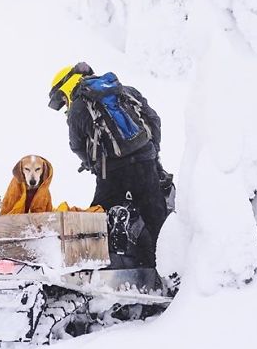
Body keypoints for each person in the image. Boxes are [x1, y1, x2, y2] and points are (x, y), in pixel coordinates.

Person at [48, 62, 168, 269]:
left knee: (100, 216)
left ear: (66, 87)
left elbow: (76, 146)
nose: (65, 105)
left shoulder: (78, 107)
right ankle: (163, 270)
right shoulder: (125, 91)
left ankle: (112, 266)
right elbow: (153, 119)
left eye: (63, 100)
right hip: (146, 162)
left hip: (111, 171)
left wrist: (93, 164)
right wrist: (152, 151)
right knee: (156, 216)